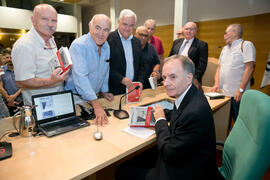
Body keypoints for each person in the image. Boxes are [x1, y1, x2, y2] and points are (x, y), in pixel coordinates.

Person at [115, 55, 221, 180]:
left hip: (185, 171)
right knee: (136, 158)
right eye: (164, 78)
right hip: (185, 156)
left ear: (188, 78)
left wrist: (160, 120)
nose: (166, 83)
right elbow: (179, 112)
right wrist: (156, 113)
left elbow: (169, 153)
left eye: (173, 77)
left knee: (122, 170)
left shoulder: (194, 112)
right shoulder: (191, 95)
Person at [11, 4, 68, 105]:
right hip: (40, 108)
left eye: (54, 20)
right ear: (33, 20)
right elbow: (22, 82)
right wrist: (51, 81)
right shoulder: (24, 45)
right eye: (45, 19)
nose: (50, 24)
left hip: (59, 100)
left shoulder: (51, 40)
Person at [64, 14, 113, 126]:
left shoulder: (106, 46)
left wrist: (104, 90)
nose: (101, 33)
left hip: (93, 98)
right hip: (76, 99)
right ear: (90, 26)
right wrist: (96, 105)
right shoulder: (79, 45)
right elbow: (81, 77)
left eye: (105, 30)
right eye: (97, 28)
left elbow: (105, 69)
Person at [211, 24, 255, 121]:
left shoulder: (246, 45)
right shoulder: (224, 49)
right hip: (223, 94)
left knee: (240, 122)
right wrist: (216, 83)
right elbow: (219, 68)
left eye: (226, 33)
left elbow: (249, 68)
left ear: (234, 32)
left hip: (237, 95)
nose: (224, 36)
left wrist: (240, 90)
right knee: (224, 123)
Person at [107, 9, 145, 95]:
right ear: (118, 22)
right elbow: (104, 66)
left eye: (131, 25)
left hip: (133, 89)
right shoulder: (108, 39)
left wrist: (140, 81)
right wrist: (120, 79)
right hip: (114, 90)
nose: (127, 28)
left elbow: (142, 65)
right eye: (125, 24)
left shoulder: (137, 42)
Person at [169, 22, 208, 91]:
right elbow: (170, 58)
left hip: (190, 78)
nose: (188, 31)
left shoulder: (201, 45)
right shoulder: (176, 42)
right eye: (186, 29)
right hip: (175, 77)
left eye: (191, 29)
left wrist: (194, 78)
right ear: (183, 30)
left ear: (196, 31)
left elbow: (202, 65)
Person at [0, 49, 23, 115]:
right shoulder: (1, 70)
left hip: (21, 101)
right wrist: (9, 99)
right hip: (7, 102)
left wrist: (14, 96)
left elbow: (24, 85)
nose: (10, 59)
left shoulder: (20, 69)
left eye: (12, 57)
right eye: (7, 57)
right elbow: (0, 86)